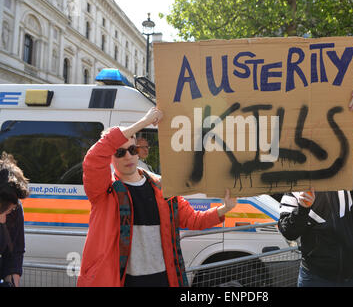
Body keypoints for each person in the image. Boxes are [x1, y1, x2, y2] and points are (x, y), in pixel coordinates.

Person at [77, 107, 238, 287]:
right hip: (122, 281)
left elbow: (192, 220)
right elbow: (93, 158)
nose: (128, 156)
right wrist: (144, 122)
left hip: (163, 278)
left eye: (132, 149)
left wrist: (225, 209)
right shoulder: (104, 191)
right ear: (111, 157)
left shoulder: (160, 186)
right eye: (120, 152)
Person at [278, 89, 353, 287]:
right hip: (315, 277)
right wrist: (303, 208)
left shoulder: (349, 178)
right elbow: (288, 231)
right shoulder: (295, 184)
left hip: (351, 275)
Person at [0, 152, 29, 287]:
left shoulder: (15, 208)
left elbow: (14, 252)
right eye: (5, 210)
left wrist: (12, 283)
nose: (6, 217)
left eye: (10, 211)